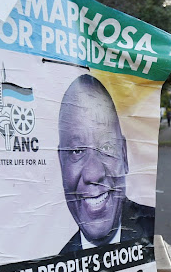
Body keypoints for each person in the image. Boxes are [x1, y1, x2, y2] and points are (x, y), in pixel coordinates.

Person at [57, 74, 155, 254]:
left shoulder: (153, 231)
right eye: (77, 151)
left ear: (124, 156)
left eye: (107, 146)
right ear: (61, 164)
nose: (93, 173)